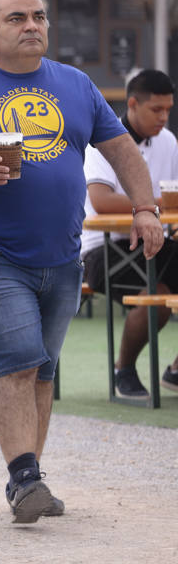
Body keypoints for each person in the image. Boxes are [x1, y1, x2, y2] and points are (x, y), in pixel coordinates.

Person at [0, 0, 163, 524]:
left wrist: (145, 209)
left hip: (62, 257)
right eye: (19, 17)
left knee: (43, 371)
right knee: (19, 360)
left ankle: (30, 479)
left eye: (40, 17)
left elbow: (120, 150)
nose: (33, 26)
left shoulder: (75, 84)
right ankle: (24, 478)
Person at [80, 69, 178, 398]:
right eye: (157, 110)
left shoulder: (168, 142)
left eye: (169, 109)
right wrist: (153, 206)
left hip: (156, 241)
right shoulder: (102, 141)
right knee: (157, 298)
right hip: (102, 247)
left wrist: (160, 210)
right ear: (133, 104)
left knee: (160, 290)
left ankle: (176, 370)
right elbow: (101, 202)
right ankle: (124, 369)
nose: (164, 117)